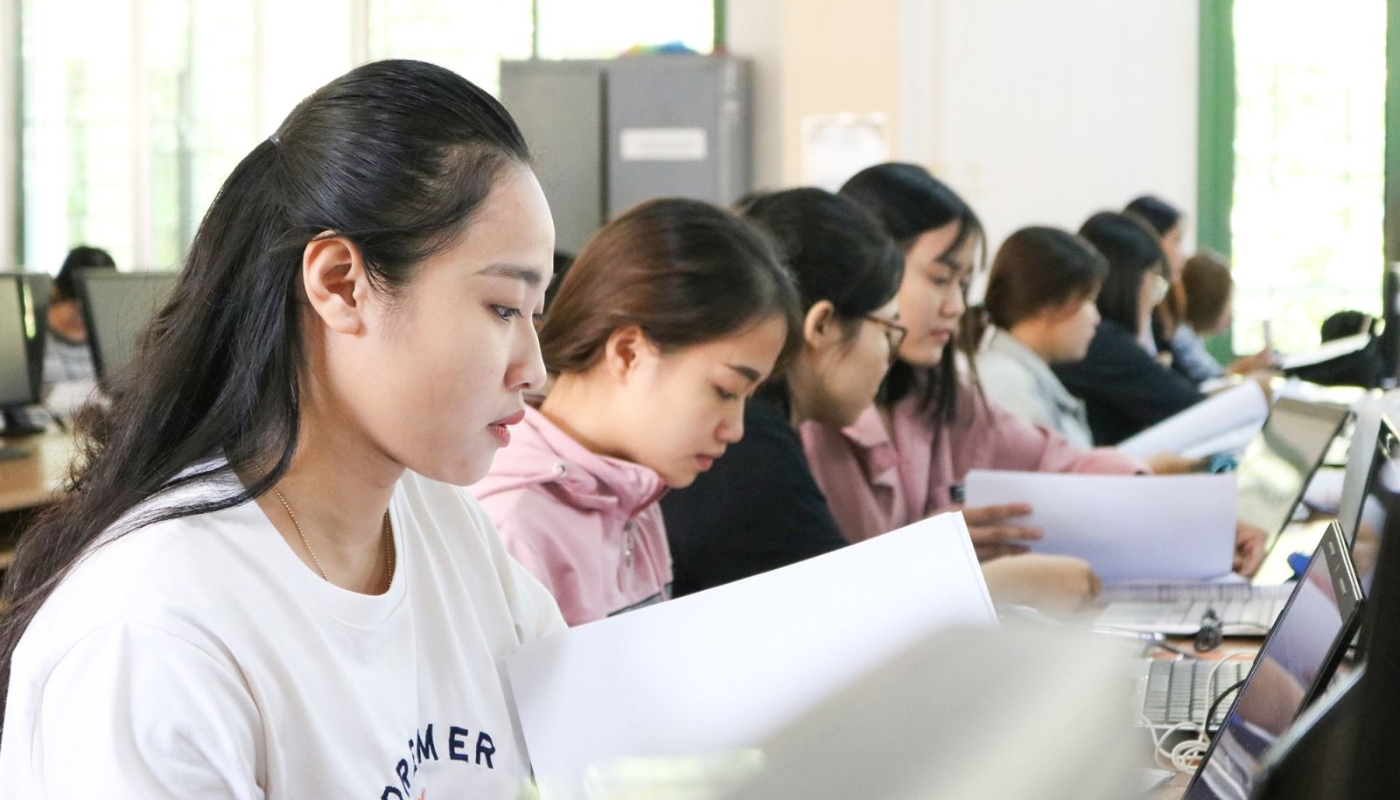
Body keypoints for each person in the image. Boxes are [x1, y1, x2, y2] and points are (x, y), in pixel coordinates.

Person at [0, 60, 567, 797]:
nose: (534, 369)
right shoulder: (151, 631)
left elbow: (593, 743)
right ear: (340, 284)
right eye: (502, 308)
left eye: (535, 315)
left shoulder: (444, 525)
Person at [661, 187, 1100, 610]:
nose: (890, 356)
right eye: (888, 330)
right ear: (822, 326)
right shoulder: (752, 445)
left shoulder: (769, 430)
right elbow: (837, 617)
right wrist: (996, 584)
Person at [471, 198, 801, 625]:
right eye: (725, 390)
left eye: (746, 398)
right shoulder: (514, 525)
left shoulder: (633, 493)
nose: (736, 429)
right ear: (628, 353)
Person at [803, 165, 1149, 560]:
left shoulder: (940, 394)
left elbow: (1052, 461)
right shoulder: (809, 415)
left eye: (964, 284)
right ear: (871, 268)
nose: (955, 306)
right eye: (940, 279)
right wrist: (926, 553)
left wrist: (1154, 495)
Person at [1051, 211, 1206, 446]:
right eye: (1153, 281)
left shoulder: (1102, 339)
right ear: (1129, 282)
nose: (1154, 298)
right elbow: (1193, 410)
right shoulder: (1103, 342)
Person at [976, 226, 1107, 449]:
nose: (1096, 318)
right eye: (1089, 300)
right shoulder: (1007, 383)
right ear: (1048, 306)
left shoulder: (1018, 375)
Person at [1175, 250, 1277, 382]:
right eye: (1229, 300)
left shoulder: (1188, 336)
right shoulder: (1182, 337)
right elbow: (1210, 384)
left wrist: (1241, 368)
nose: (1230, 310)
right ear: (1211, 303)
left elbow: (1213, 377)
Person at [43, 245, 116, 389]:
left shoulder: (112, 340)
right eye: (76, 306)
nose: (82, 318)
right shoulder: (33, 339)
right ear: (55, 290)